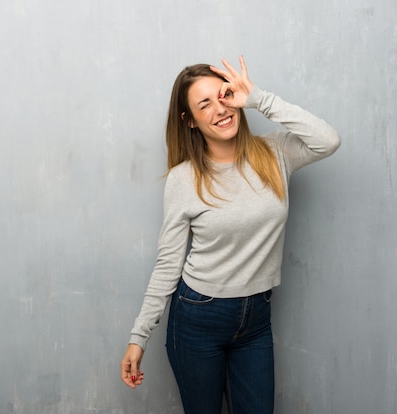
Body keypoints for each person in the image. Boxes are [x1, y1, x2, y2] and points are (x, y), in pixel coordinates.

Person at [120, 55, 341, 413]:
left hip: (256, 319)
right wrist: (138, 337)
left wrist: (259, 98)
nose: (220, 109)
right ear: (189, 121)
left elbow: (328, 141)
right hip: (197, 318)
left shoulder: (275, 152)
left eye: (223, 95)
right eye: (203, 104)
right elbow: (168, 264)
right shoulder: (183, 179)